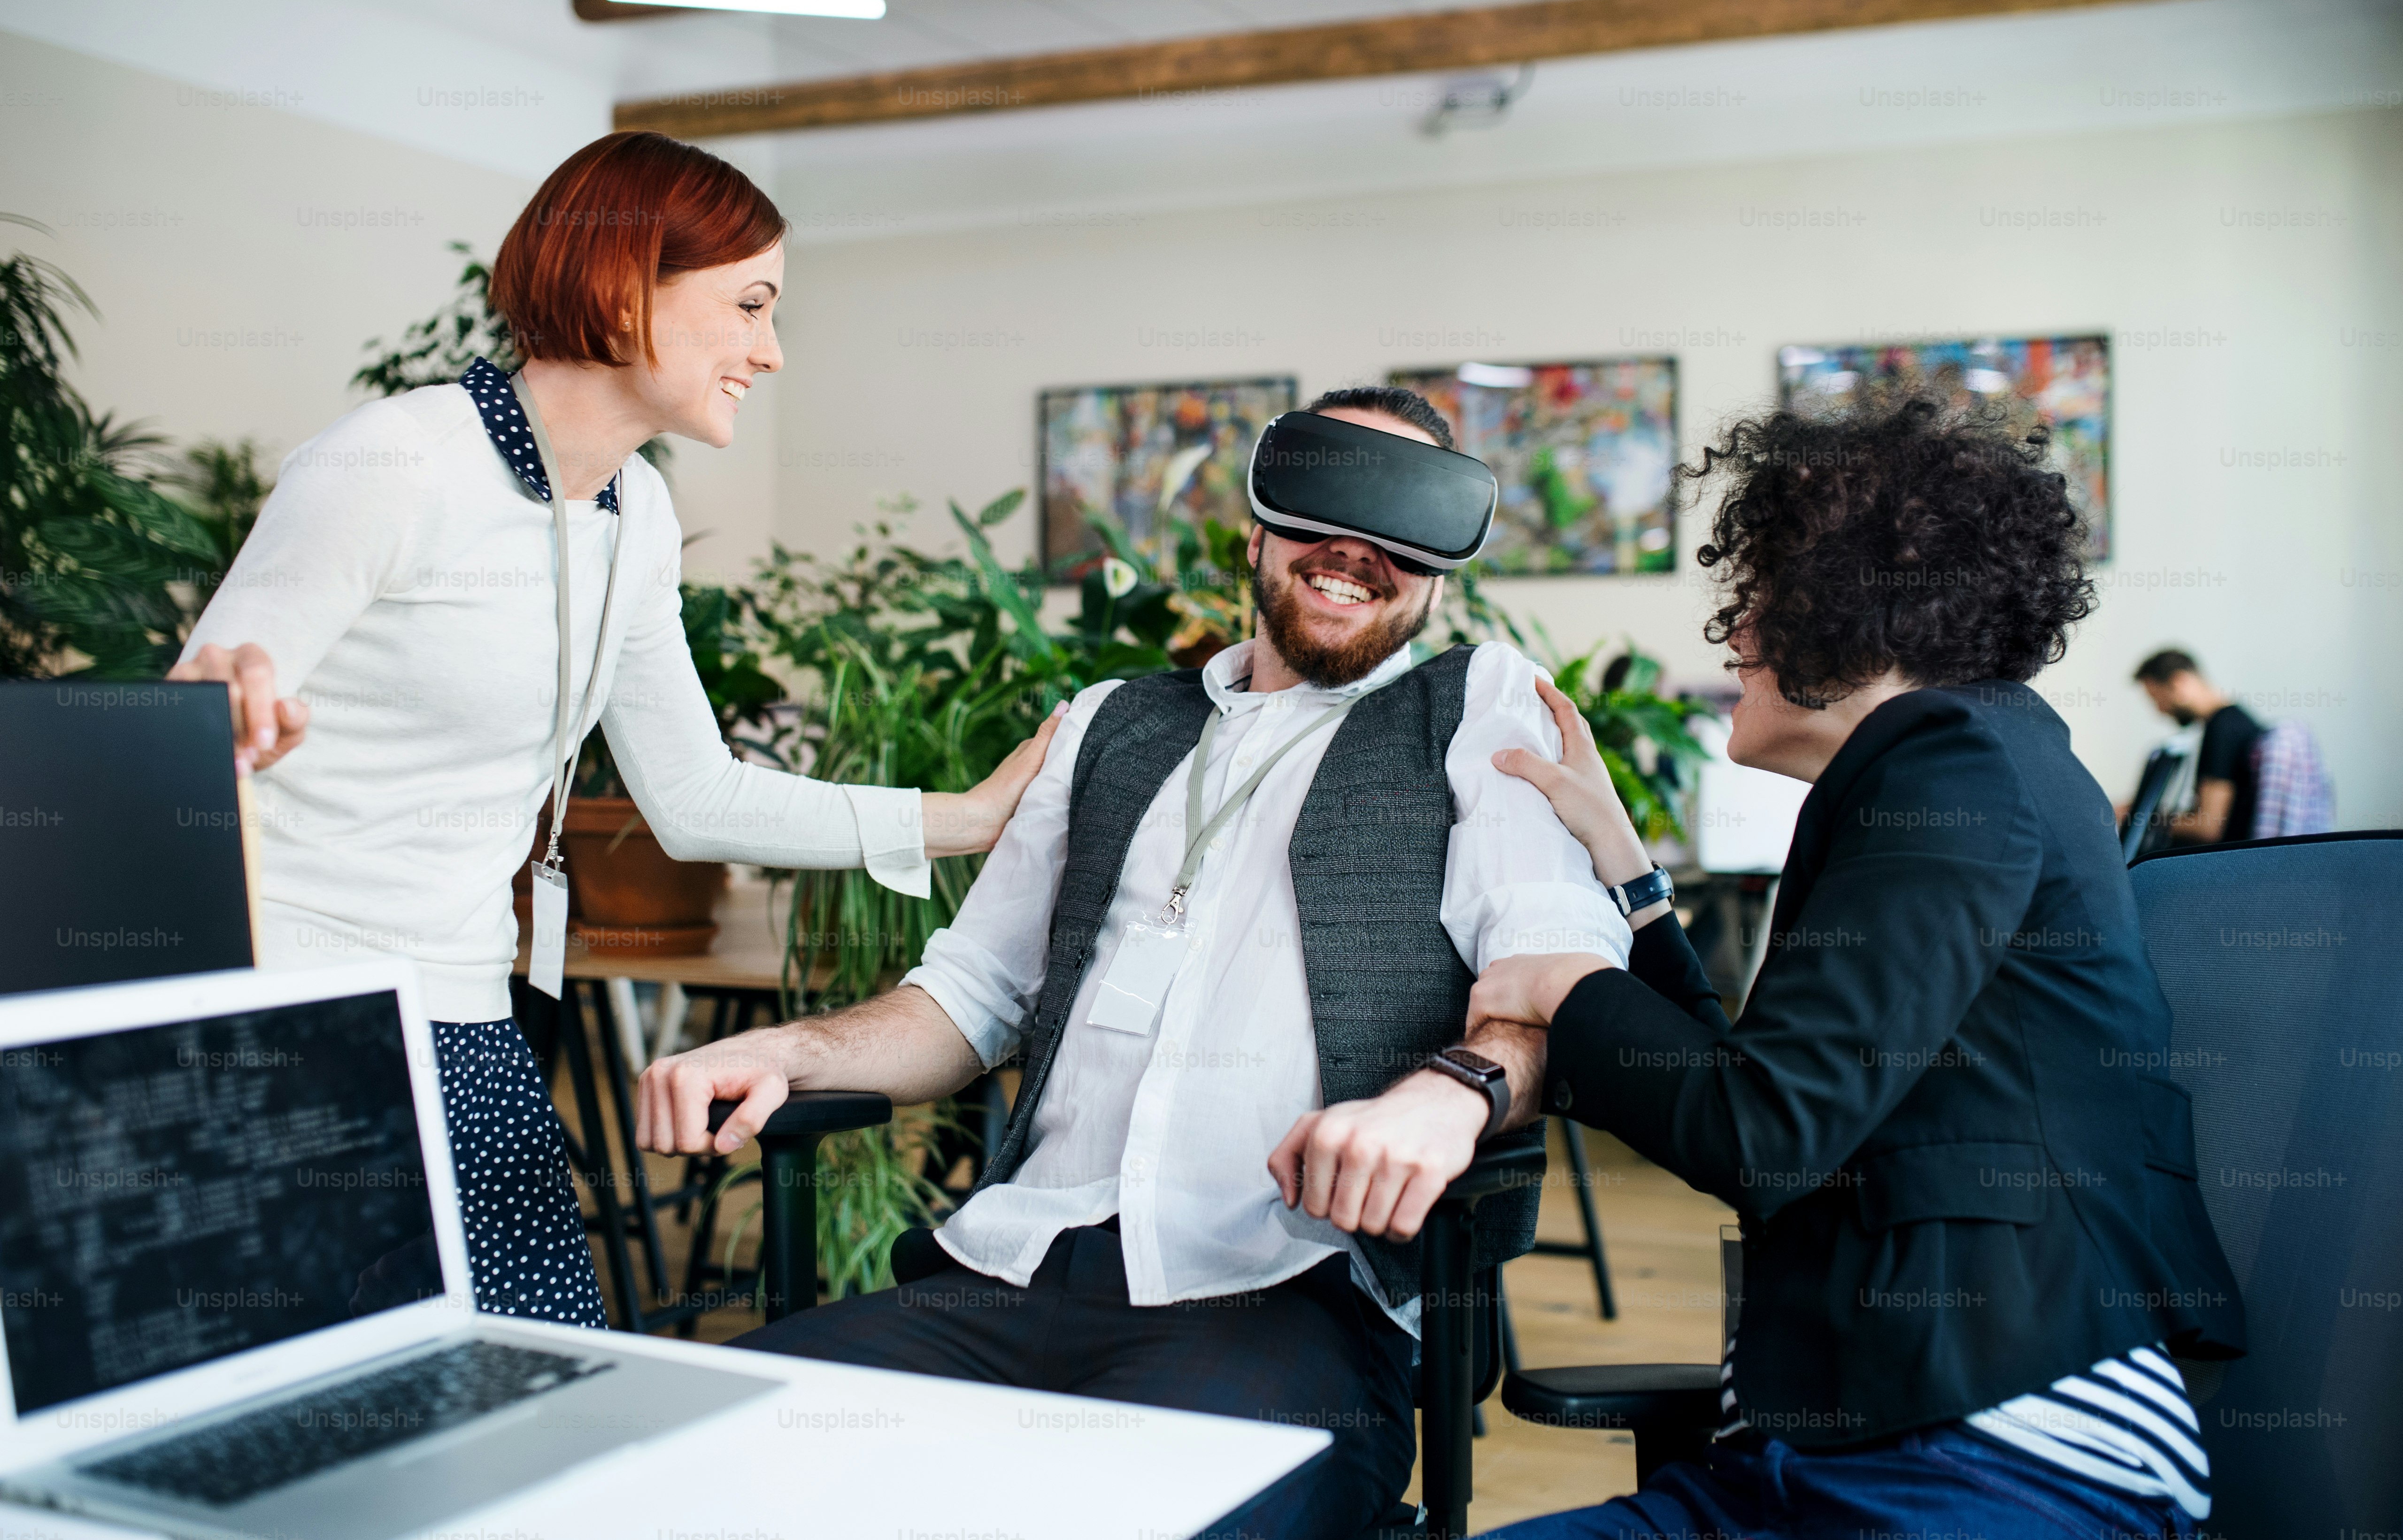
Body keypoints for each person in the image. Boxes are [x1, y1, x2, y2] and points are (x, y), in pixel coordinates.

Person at [638, 386, 1634, 1539]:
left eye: (1404, 525)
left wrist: (1451, 1093)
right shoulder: (1112, 720)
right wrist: (792, 1049)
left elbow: (1554, 971)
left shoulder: (1472, 707)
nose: (1357, 551)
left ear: (1443, 567)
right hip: (1004, 1271)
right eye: (1322, 509)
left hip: (1285, 1298)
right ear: (1256, 529)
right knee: (684, 1471)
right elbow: (972, 992)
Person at [170, 132, 1059, 1328]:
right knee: (283, 1381)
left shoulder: (632, 511)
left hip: (466, 1012)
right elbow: (207, 708)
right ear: (626, 284)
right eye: (750, 305)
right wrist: (227, 696)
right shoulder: (395, 461)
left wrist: (972, 818)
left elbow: (695, 796)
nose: (771, 350)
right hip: (288, 1012)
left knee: (532, 1372)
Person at [1400, 394, 2246, 1540]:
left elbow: (1760, 1134)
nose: (1735, 631)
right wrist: (1627, 867)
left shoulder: (1957, 759)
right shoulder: (1972, 761)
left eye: (1758, 594)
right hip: (1831, 1450)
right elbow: (1748, 1094)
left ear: (1854, 607)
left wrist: (1558, 985)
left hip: (1995, 1448)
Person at [2133, 649, 2265, 844]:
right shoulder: (2236, 721)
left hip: (2223, 858)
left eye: (2156, 698)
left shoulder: (2222, 729)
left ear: (2178, 683)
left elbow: (2207, 828)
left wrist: (2139, 819)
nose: (2160, 710)